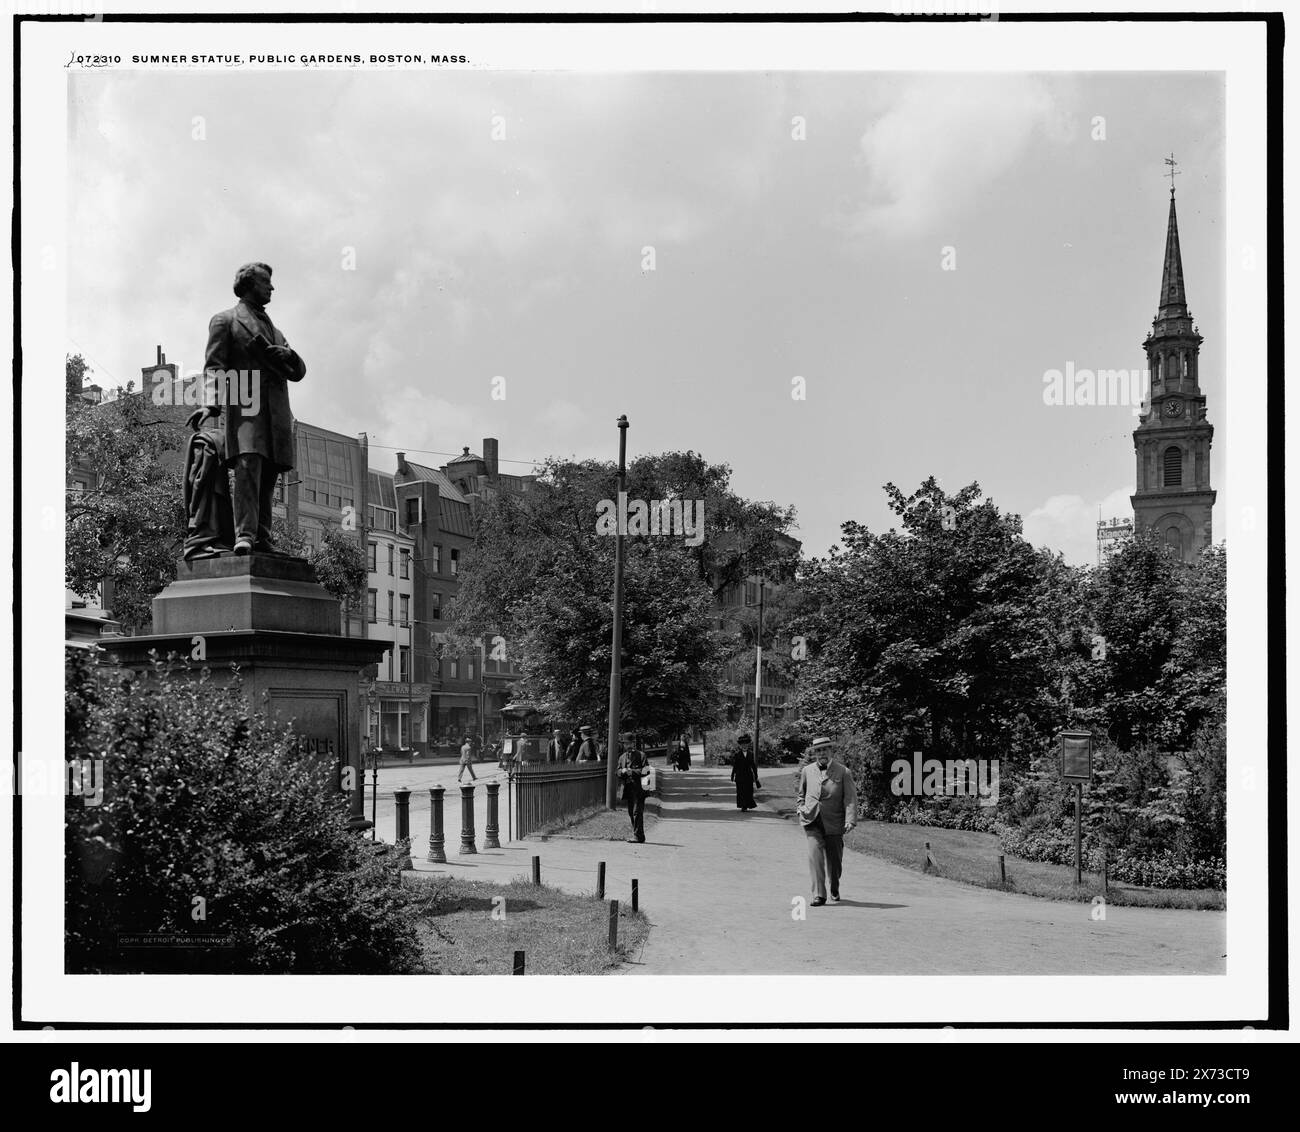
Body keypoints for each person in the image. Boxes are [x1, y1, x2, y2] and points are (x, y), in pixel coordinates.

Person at [194, 262, 307, 555]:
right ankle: (244, 535)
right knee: (248, 467)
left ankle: (263, 536)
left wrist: (289, 354)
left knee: (269, 474)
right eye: (266, 282)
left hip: (277, 414)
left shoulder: (278, 333)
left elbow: (297, 373)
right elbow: (214, 366)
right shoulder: (226, 320)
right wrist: (211, 403)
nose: (272, 287)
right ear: (248, 285)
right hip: (246, 408)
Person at [796, 736, 858, 906]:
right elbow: (801, 794)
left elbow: (850, 798)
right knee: (814, 857)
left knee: (834, 862)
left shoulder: (843, 772)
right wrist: (800, 808)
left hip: (834, 822)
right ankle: (819, 895)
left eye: (824, 749)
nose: (821, 753)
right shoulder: (807, 771)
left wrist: (850, 819)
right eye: (818, 750)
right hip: (811, 820)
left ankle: (834, 886)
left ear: (831, 751)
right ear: (814, 753)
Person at [617, 745, 650, 843]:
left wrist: (631, 771)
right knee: (631, 812)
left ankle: (637, 836)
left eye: (630, 743)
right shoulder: (622, 757)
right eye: (626, 743)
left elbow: (646, 770)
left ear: (634, 743)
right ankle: (640, 836)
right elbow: (617, 771)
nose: (628, 745)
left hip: (639, 788)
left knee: (637, 812)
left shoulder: (641, 755)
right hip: (628, 788)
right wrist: (621, 771)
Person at [731, 732, 760, 811]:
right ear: (740, 745)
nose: (744, 745)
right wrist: (732, 775)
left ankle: (747, 805)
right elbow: (735, 766)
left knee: (749, 791)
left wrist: (756, 775)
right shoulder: (737, 754)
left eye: (746, 744)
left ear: (748, 745)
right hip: (739, 775)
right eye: (743, 744)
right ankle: (743, 806)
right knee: (740, 791)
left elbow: (753, 766)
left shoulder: (751, 754)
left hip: (748, 775)